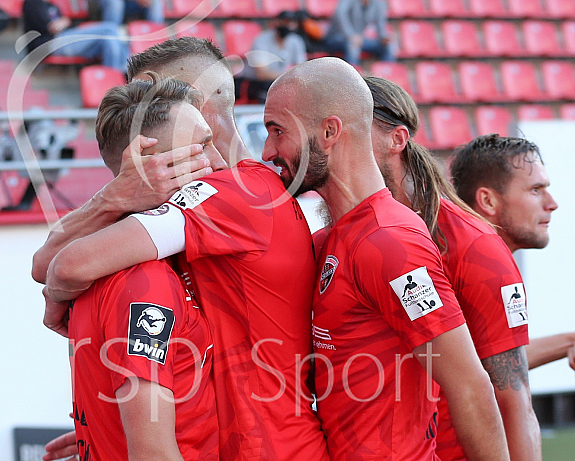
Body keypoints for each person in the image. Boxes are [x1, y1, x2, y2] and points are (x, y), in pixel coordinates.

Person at [38, 38, 329, 461]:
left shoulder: (235, 193)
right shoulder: (213, 198)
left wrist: (53, 299)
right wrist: (113, 424)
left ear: (187, 100)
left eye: (152, 98)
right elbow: (47, 265)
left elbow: (59, 266)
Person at [261, 57, 508, 460]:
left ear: (328, 132)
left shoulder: (390, 241)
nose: (268, 150)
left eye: (278, 131)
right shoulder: (335, 236)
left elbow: (470, 386)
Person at [361, 77, 541, 461]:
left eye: (354, 131)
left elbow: (514, 400)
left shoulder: (471, 245)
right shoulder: (348, 232)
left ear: (396, 140)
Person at [67, 75, 220, 460]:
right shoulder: (143, 281)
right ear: (154, 168)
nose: (217, 163)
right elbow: (153, 454)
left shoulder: (111, 262)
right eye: (201, 148)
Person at [450, 134, 575, 371]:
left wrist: (569, 341)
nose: (552, 203)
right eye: (536, 190)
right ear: (488, 201)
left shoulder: (465, 253)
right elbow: (485, 370)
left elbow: (494, 357)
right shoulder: (483, 268)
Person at [22, 0, 129, 71]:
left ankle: (114, 85)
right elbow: (51, 28)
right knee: (110, 28)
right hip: (51, 44)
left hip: (66, 38)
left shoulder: (51, 5)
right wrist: (63, 22)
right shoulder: (32, 3)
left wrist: (65, 22)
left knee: (109, 41)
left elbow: (68, 24)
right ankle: (127, 67)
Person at [236, 10, 307, 103]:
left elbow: (302, 70)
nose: (287, 25)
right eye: (284, 21)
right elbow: (261, 74)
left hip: (278, 81)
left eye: (291, 22)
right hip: (255, 83)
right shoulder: (261, 40)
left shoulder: (295, 41)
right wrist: (288, 76)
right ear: (276, 22)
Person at [324, 0, 395, 66]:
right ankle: (352, 77)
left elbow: (380, 26)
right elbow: (340, 15)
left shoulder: (377, 3)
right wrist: (351, 36)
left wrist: (384, 37)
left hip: (358, 39)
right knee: (353, 47)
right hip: (337, 38)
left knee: (388, 46)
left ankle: (386, 75)